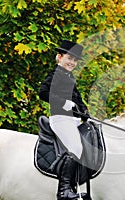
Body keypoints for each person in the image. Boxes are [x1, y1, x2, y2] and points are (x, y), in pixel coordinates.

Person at [39, 40, 89, 200]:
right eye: (69, 58)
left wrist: (86, 113)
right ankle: (64, 190)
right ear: (59, 57)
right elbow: (43, 93)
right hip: (60, 119)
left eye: (75, 60)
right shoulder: (55, 74)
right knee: (75, 147)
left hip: (73, 120)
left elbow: (78, 98)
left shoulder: (70, 77)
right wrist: (63, 102)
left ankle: (76, 187)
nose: (72, 62)